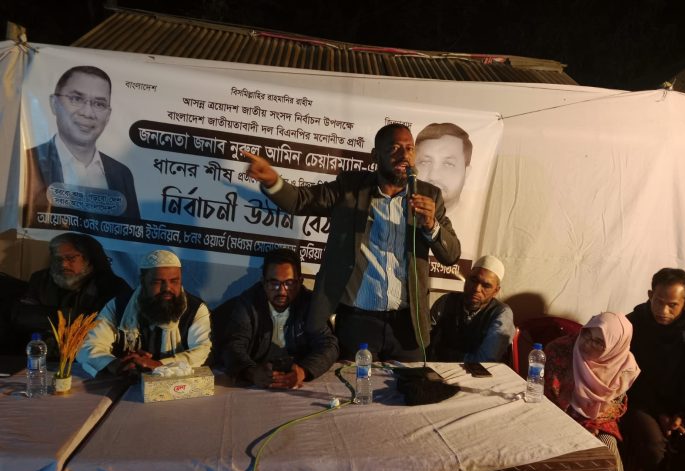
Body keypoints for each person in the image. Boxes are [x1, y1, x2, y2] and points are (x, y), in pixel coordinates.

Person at [242, 123, 461, 362]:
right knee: (355, 383)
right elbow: (300, 201)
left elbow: (451, 255)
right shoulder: (350, 188)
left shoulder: (429, 195)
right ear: (375, 156)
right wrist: (272, 180)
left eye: (409, 148)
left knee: (410, 384)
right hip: (358, 322)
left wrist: (431, 225)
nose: (404, 155)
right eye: (394, 148)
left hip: (407, 325)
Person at [544, 312, 640, 471]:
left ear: (614, 347)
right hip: (559, 414)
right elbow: (549, 395)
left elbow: (616, 405)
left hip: (600, 419)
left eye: (598, 342)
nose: (587, 342)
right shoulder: (560, 350)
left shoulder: (624, 366)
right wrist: (580, 426)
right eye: (586, 333)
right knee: (593, 447)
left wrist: (592, 424)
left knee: (607, 445)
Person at [623, 268, 685, 471]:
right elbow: (631, 378)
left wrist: (683, 414)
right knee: (654, 448)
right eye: (658, 301)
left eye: (672, 305)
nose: (663, 310)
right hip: (644, 401)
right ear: (649, 295)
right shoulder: (633, 324)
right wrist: (661, 413)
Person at [24, 65, 140, 223]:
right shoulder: (29, 162)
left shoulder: (121, 174)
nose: (87, 113)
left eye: (99, 104)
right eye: (76, 99)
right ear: (54, 103)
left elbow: (131, 232)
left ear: (108, 115)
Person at [213, 248, 338, 388]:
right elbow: (233, 346)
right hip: (257, 382)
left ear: (300, 281)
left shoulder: (311, 304)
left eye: (289, 283)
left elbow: (328, 345)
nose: (282, 291)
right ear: (263, 282)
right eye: (274, 283)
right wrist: (251, 373)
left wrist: (303, 372)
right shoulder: (248, 303)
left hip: (298, 379)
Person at [77, 250, 211, 376]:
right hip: (126, 380)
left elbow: (202, 350)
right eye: (158, 282)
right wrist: (115, 364)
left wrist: (159, 365)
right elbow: (88, 346)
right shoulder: (119, 305)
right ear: (143, 281)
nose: (167, 288)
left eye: (174, 281)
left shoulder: (195, 309)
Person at [12, 232, 130, 357]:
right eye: (58, 259)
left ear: (87, 259)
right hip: (40, 354)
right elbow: (22, 316)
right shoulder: (40, 279)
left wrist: (46, 315)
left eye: (71, 258)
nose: (63, 264)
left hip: (87, 357)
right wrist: (71, 315)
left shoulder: (110, 285)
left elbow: (98, 323)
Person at [429, 255, 515, 363]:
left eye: (486, 286)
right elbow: (423, 338)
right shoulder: (446, 301)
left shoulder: (501, 313)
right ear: (466, 279)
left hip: (477, 373)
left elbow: (484, 361)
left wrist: (444, 354)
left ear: (496, 291)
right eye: (473, 280)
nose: (477, 288)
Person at [415, 122, 472, 212]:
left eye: (448, 164)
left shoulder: (479, 216)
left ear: (466, 173)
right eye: (425, 162)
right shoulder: (395, 211)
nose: (434, 176)